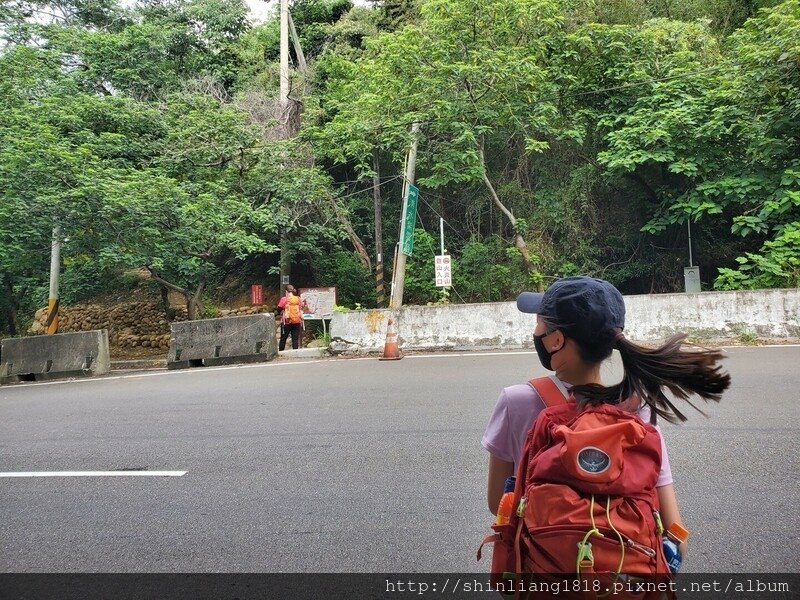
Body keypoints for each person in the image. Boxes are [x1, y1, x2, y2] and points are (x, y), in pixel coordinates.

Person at [482, 276, 730, 561]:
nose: (535, 330)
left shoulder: (517, 402)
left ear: (555, 340)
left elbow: (498, 503)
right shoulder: (638, 412)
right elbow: (674, 531)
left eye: (539, 322)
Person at [277, 285, 308, 350]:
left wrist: (282, 312)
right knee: (295, 338)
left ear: (286, 291)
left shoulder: (284, 299)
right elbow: (302, 306)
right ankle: (295, 352)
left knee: (283, 338)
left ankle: (281, 351)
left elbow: (279, 308)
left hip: (286, 322)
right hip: (297, 321)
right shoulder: (298, 298)